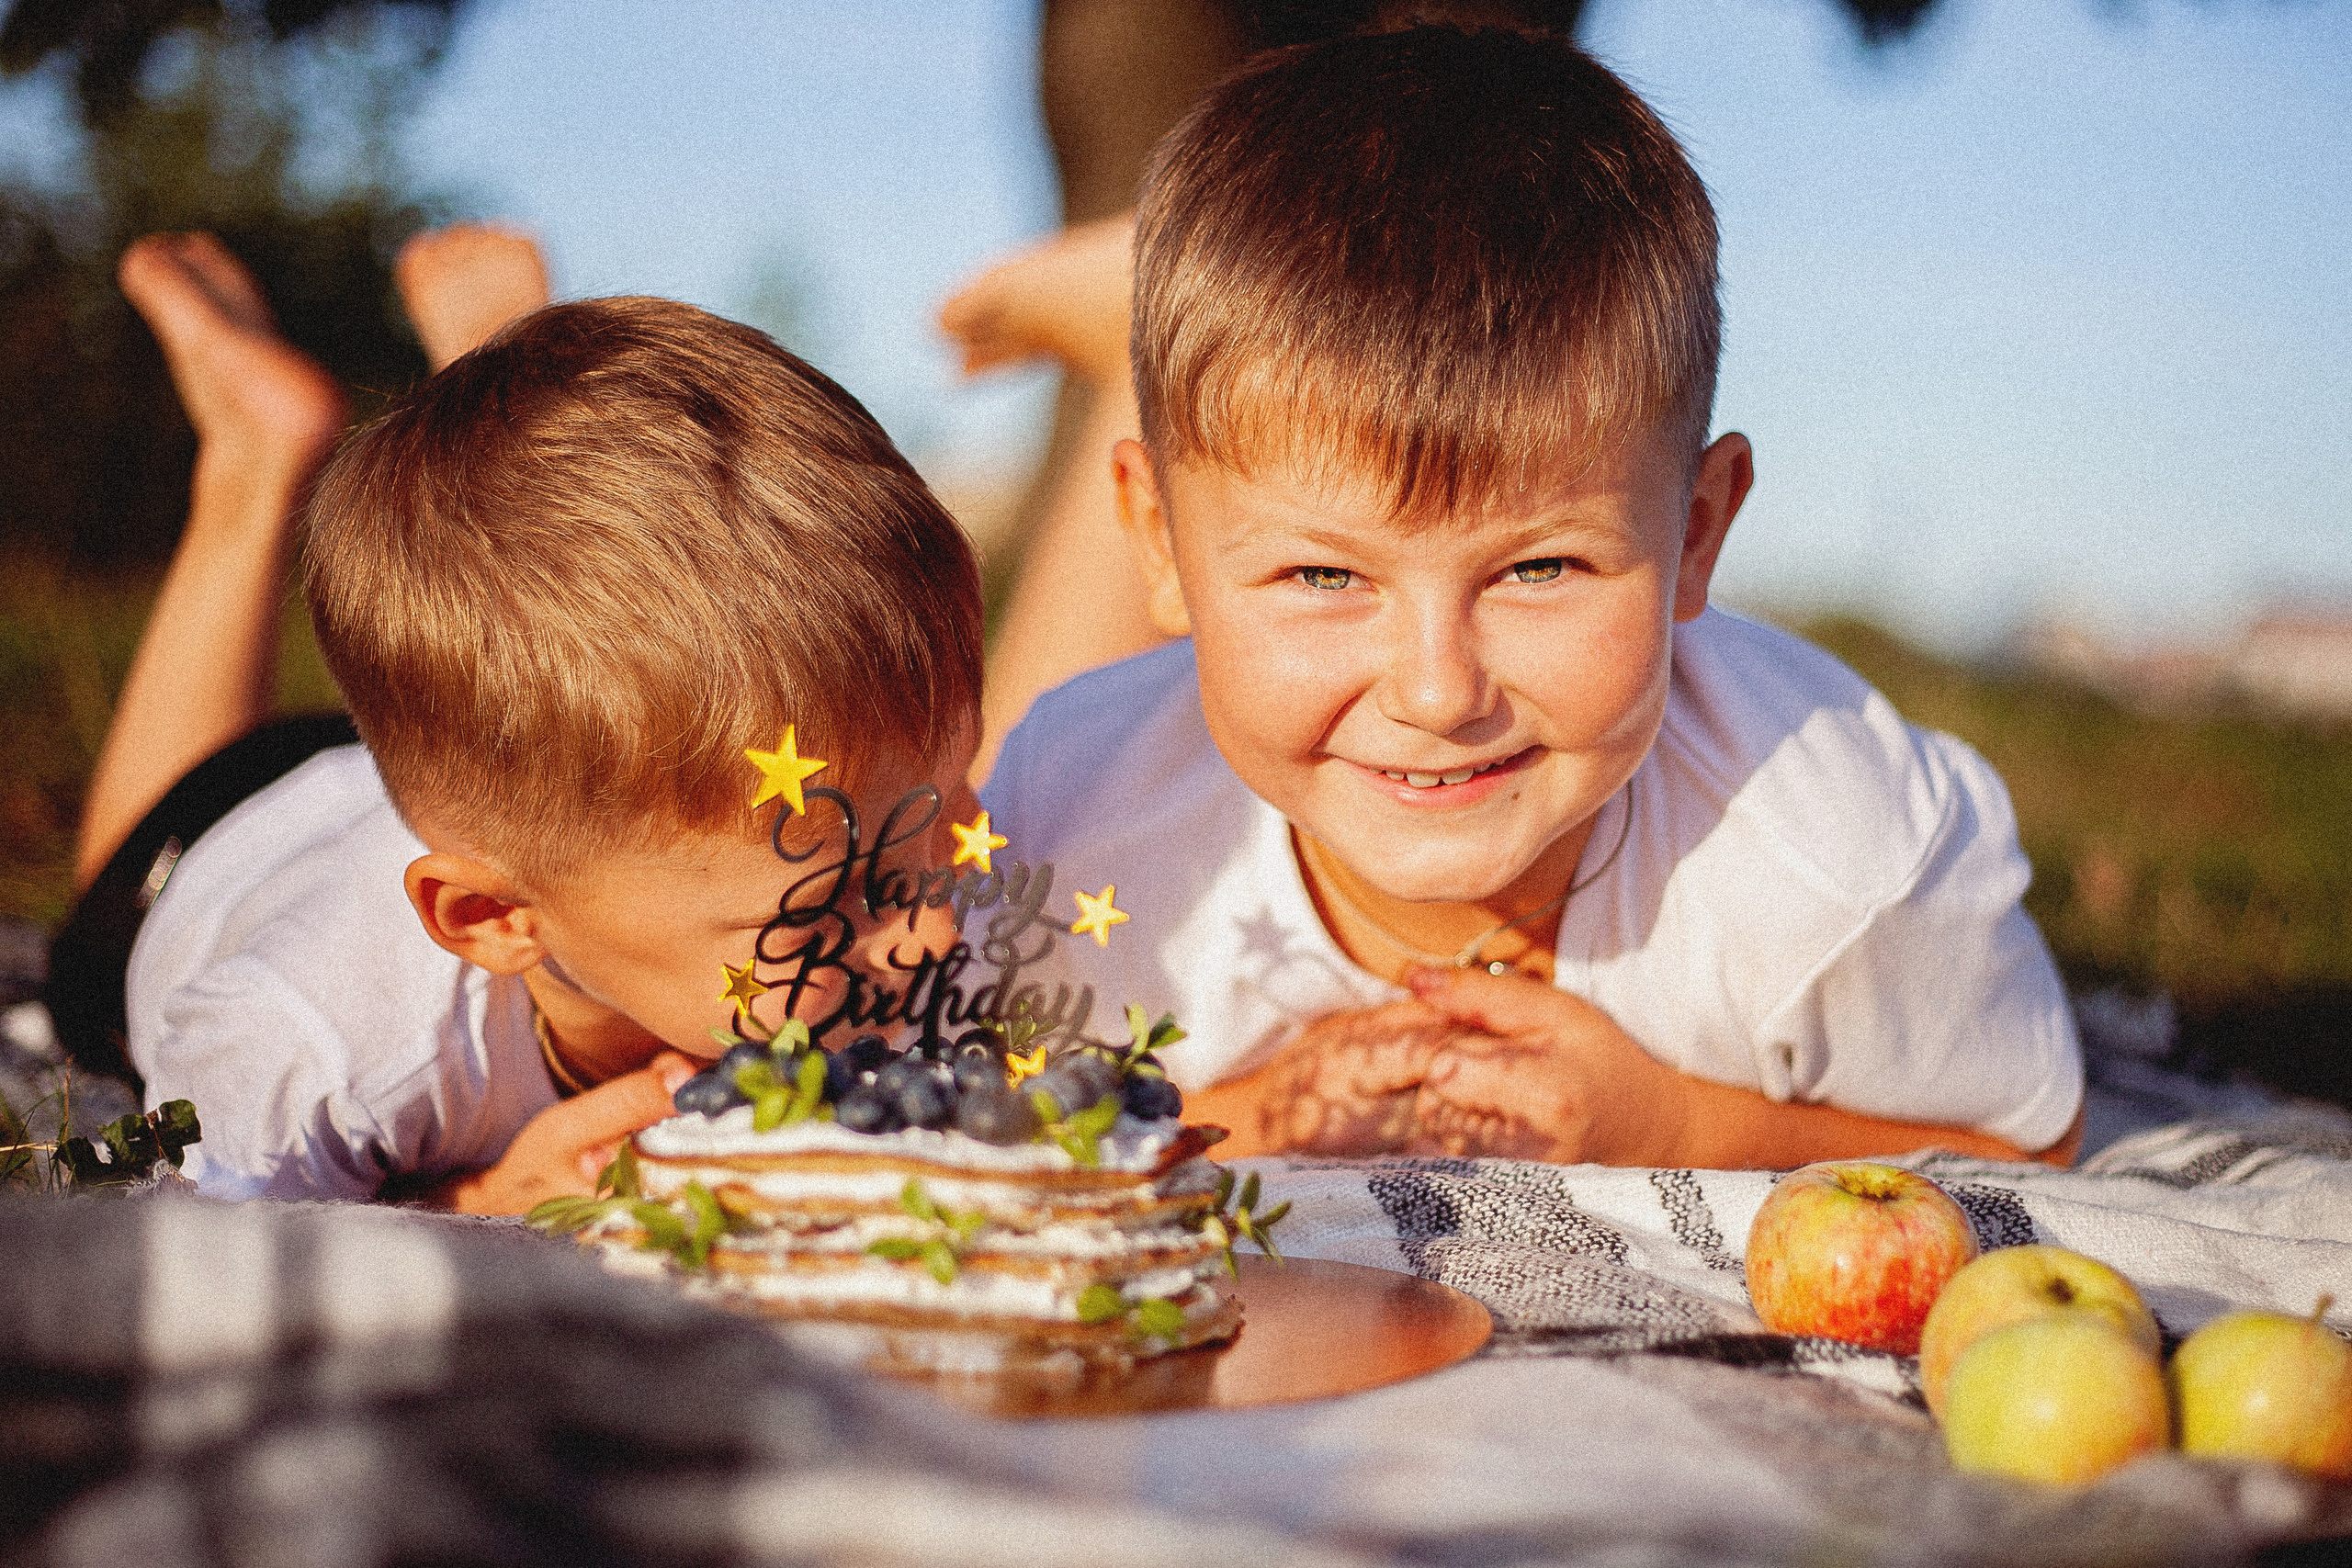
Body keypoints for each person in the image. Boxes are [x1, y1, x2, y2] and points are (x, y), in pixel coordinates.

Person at [967, 25, 2086, 1168]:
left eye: (1537, 569)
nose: (1438, 690)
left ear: (1696, 530)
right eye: (1322, 573)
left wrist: (1675, 1124)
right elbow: (980, 1121)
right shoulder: (1071, 828)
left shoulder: (1845, 865)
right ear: (1156, 541)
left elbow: (2032, 1147)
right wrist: (1261, 1114)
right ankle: (1127, 349)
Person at [73, 229, 983, 1209]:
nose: (931, 930)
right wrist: (483, 1197)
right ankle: (255, 462)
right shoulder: (310, 1035)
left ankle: (504, 395)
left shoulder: (736, 861)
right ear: (497, 921)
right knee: (113, 900)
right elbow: (202, 1263)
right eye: (817, 917)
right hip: (201, 848)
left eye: (937, 819)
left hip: (526, 783)